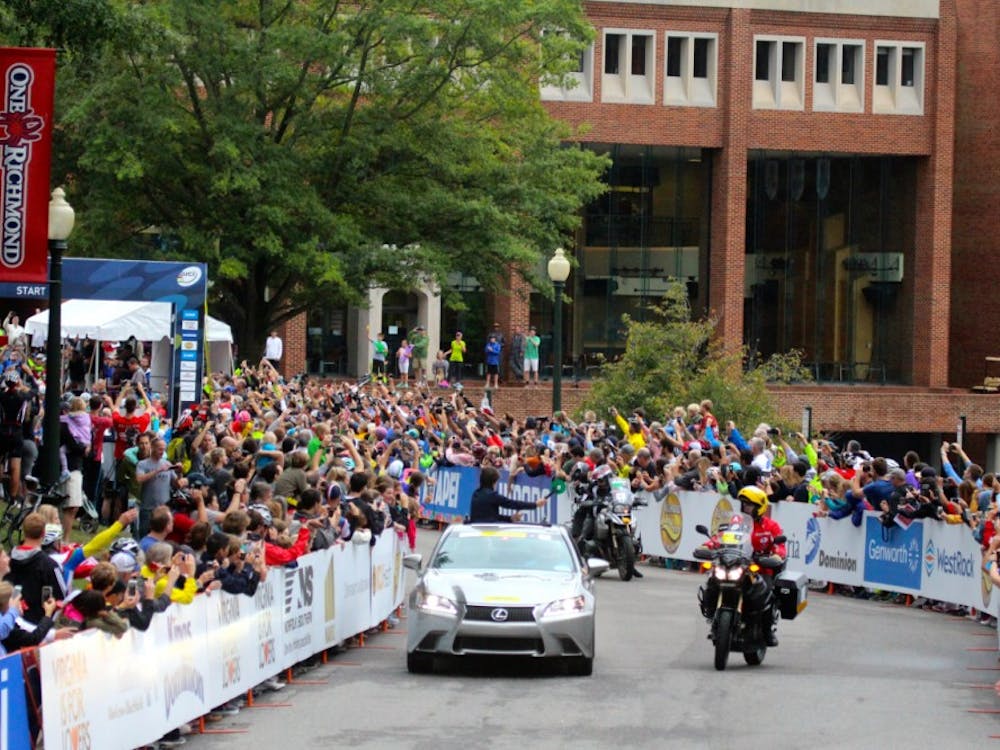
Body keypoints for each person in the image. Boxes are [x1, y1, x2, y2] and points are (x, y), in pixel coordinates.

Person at [696, 485, 785, 646]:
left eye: (749, 505)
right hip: (736, 562)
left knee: (766, 595)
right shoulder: (736, 522)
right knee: (713, 580)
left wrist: (777, 555)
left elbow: (779, 545)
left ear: (759, 507)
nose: (746, 508)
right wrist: (707, 546)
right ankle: (712, 615)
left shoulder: (771, 526)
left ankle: (767, 631)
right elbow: (721, 537)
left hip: (760, 567)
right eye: (744, 504)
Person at [468, 465, 547, 523]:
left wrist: (510, 519)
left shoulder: (476, 493)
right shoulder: (492, 496)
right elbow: (513, 504)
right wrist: (535, 504)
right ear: (493, 482)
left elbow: (489, 516)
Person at [0, 368, 34, 501]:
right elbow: (35, 390)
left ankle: (1, 492)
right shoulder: (22, 397)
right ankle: (13, 497)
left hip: (3, 430)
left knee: (1, 461)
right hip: (17, 431)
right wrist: (30, 375)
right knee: (16, 465)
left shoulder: (2, 396)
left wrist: (4, 376)